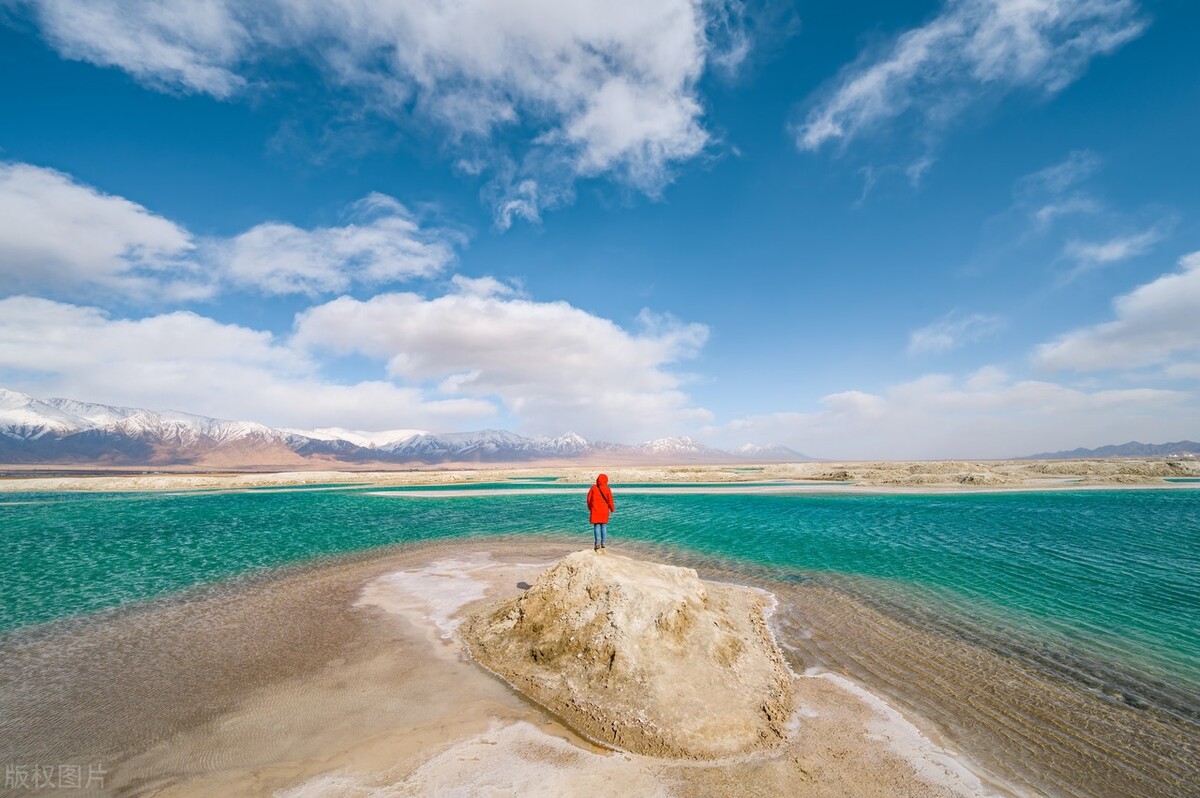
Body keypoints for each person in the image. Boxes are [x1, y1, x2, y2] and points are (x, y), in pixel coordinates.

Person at [586, 473, 615, 551]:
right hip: (604, 511)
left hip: (595, 510)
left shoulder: (593, 488)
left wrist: (590, 508)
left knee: (597, 526)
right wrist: (612, 509)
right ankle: (603, 543)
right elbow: (610, 501)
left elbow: (588, 499)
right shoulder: (607, 489)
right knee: (604, 526)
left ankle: (597, 544)